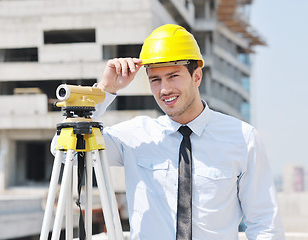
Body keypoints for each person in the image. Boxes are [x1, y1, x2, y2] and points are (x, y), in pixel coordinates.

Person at [52, 24, 285, 240]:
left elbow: (264, 223)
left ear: (197, 76)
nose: (164, 89)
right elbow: (62, 151)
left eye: (173, 76)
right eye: (155, 79)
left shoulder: (242, 138)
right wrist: (105, 90)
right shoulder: (135, 135)